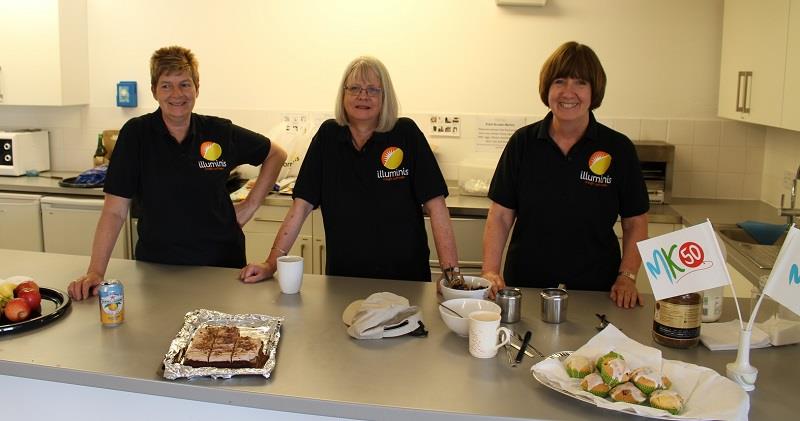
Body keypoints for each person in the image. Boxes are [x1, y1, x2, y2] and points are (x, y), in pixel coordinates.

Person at [68, 46, 287, 300]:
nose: (177, 94)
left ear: (196, 88)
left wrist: (250, 205)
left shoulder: (219, 132)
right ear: (154, 91)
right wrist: (95, 272)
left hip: (221, 266)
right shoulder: (136, 135)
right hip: (158, 268)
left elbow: (276, 154)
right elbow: (115, 211)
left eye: (184, 84)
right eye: (166, 85)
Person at [240, 56, 459, 284]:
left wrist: (451, 276)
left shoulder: (405, 134)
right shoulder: (328, 136)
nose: (362, 96)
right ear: (343, 94)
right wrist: (271, 263)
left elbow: (437, 207)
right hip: (343, 278)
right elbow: (301, 207)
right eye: (354, 88)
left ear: (385, 96)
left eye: (373, 89)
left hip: (405, 277)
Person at [481, 41, 649, 308]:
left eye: (580, 82)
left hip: (597, 289)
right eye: (559, 81)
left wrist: (627, 277)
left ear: (594, 91)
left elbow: (635, 221)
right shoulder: (523, 143)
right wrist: (490, 271)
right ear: (547, 88)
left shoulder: (618, 148)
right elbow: (500, 215)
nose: (568, 92)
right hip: (527, 284)